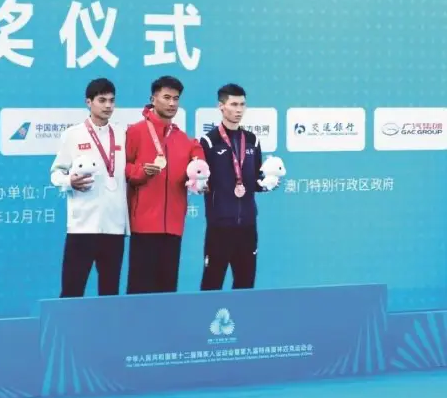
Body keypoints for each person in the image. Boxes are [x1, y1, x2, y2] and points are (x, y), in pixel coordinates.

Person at [125, 75, 205, 294]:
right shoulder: (135, 131)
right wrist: (142, 172)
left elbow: (198, 163)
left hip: (173, 226)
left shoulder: (183, 139)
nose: (172, 103)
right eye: (166, 97)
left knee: (167, 290)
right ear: (153, 99)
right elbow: (122, 169)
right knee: (140, 292)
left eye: (176, 99)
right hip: (143, 225)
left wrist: (200, 179)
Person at [50, 78, 129, 298]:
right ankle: (67, 323)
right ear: (88, 102)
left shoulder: (123, 134)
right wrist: (69, 181)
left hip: (114, 227)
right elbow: (55, 174)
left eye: (112, 100)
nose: (108, 106)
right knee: (72, 291)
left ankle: (108, 324)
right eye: (102, 100)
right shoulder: (73, 135)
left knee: (110, 293)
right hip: (82, 227)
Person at [199, 83, 279, 291]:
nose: (239, 110)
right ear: (221, 106)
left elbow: (256, 180)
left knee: (245, 285)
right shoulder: (209, 141)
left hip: (247, 226)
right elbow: (202, 181)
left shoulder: (252, 140)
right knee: (211, 284)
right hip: (219, 226)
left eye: (242, 104)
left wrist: (267, 183)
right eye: (233, 104)